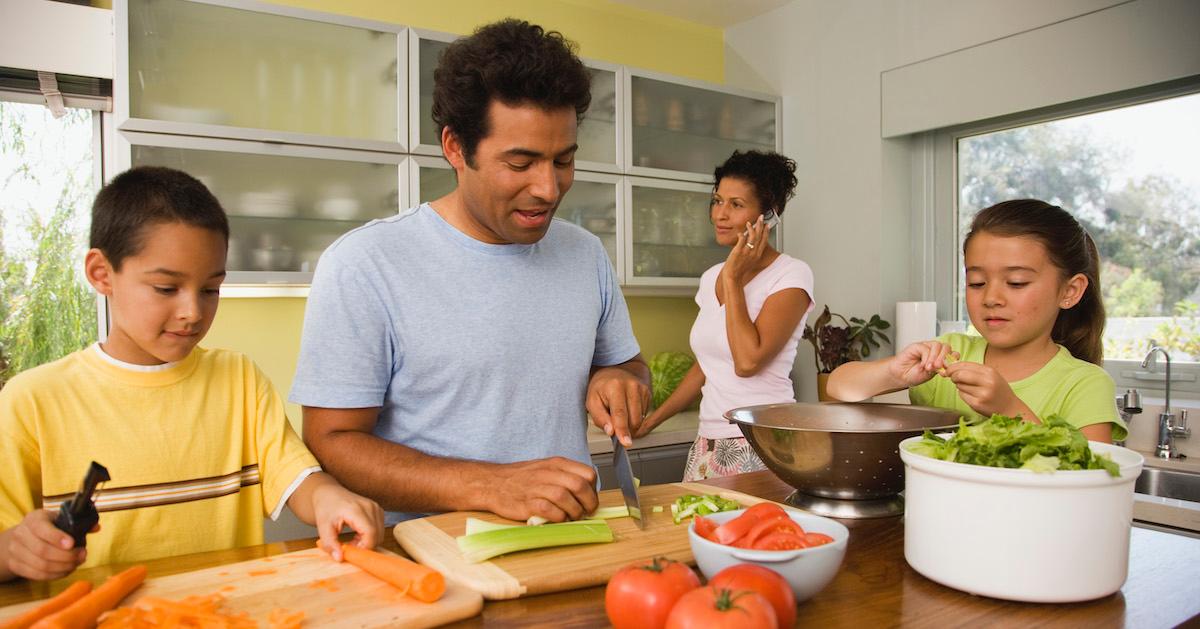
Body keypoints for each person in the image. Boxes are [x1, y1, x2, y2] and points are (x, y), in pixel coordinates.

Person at [290, 19, 650, 525]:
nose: (549, 188)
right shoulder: (366, 263)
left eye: (563, 160)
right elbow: (331, 442)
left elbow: (628, 366)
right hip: (430, 567)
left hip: (569, 545)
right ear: (456, 147)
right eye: (521, 163)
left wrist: (621, 380)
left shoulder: (585, 254)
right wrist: (489, 485)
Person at [0, 167, 383, 583]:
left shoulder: (238, 378)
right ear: (101, 273)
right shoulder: (32, 400)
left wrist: (330, 498)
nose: (193, 312)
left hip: (227, 609)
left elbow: (297, 479)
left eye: (210, 289)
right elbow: (7, 548)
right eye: (166, 289)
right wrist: (15, 553)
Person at [827, 199, 1126, 442]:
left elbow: (1092, 477)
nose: (991, 298)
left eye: (1017, 283)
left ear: (1070, 291)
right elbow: (840, 387)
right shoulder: (952, 353)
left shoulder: (1085, 384)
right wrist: (893, 372)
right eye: (977, 283)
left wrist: (1011, 410)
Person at [636, 150, 815, 480]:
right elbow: (706, 366)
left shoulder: (790, 276)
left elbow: (747, 362)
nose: (720, 214)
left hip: (762, 442)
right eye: (717, 201)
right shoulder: (710, 278)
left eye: (736, 204)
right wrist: (653, 420)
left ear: (769, 216)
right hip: (708, 441)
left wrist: (733, 279)